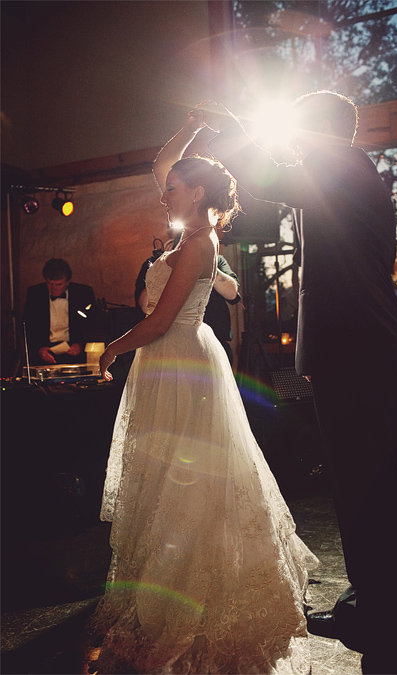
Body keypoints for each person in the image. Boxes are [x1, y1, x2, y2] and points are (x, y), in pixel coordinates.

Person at [195, 91, 397, 674]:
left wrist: (232, 126)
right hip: (353, 347)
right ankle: (376, 599)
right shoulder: (344, 170)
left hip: (355, 348)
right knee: (358, 478)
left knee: (364, 478)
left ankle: (387, 609)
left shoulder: (341, 167)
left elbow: (262, 175)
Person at [87, 111, 319, 674]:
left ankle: (199, 596)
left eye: (173, 188)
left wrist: (112, 348)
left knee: (188, 481)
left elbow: (161, 322)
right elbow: (162, 163)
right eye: (167, 187)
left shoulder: (200, 242)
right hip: (166, 364)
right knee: (161, 475)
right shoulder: (186, 227)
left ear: (195, 193)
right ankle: (157, 590)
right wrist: (193, 121)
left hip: (181, 360)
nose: (163, 191)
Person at [136, 238, 241, 363]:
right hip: (171, 347)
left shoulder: (216, 260)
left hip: (214, 343)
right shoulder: (155, 263)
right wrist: (166, 264)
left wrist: (208, 262)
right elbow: (144, 305)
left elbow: (232, 294)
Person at [22, 258, 95, 365]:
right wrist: (39, 349)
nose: (53, 289)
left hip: (75, 354)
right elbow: (27, 326)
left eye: (58, 284)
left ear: (68, 281)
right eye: (49, 283)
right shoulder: (35, 293)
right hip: (45, 353)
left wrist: (81, 345)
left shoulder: (83, 293)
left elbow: (94, 325)